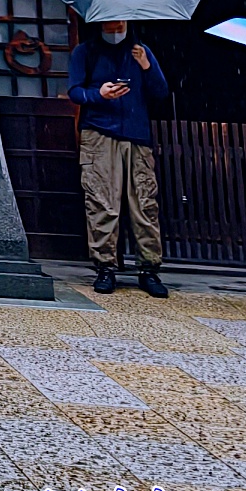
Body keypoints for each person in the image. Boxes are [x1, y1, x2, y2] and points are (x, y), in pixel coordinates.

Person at [67, 18, 169, 297]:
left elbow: (160, 92)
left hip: (137, 134)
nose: (115, 29)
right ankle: (105, 267)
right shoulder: (85, 52)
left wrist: (146, 66)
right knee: (102, 201)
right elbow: (74, 91)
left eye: (119, 23)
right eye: (109, 24)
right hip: (99, 132)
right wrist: (98, 94)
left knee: (144, 203)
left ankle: (149, 269)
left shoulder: (141, 51)